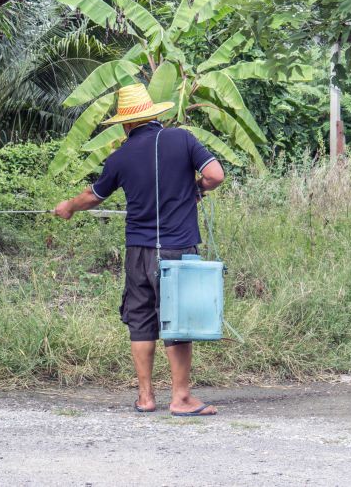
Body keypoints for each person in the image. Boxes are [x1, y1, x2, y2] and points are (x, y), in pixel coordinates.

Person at [54, 83, 225, 416]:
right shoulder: (182, 139)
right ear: (153, 115)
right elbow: (215, 175)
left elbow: (92, 196)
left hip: (139, 251)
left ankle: (146, 397)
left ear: (126, 123)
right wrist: (198, 189)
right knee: (176, 322)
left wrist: (68, 207)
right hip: (178, 249)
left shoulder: (119, 157)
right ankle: (181, 399)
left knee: (141, 320)